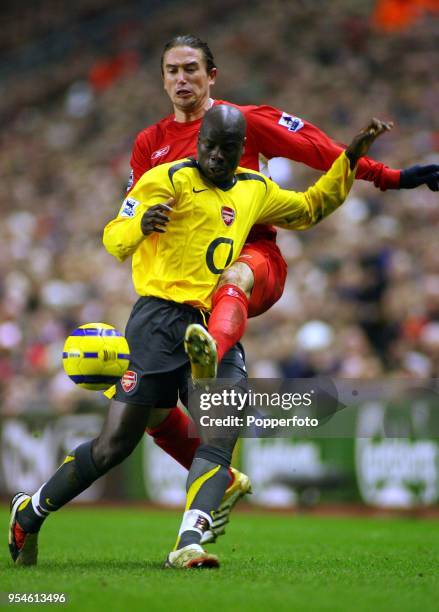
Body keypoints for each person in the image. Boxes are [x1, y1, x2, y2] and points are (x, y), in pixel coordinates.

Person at [9, 104, 391, 569]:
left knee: (222, 431)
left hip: (211, 324)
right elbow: (113, 238)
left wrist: (347, 161)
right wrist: (140, 225)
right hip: (156, 321)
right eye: (209, 146)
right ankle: (29, 512)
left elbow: (311, 208)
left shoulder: (254, 190)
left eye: (227, 150)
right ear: (201, 142)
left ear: (241, 151)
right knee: (115, 445)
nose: (216, 156)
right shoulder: (163, 181)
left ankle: (188, 541)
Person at [125, 34, 439, 541]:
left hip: (254, 260)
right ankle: (220, 477)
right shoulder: (150, 144)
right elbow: (137, 214)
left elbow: (319, 150)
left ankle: (211, 353)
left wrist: (391, 178)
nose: (181, 80)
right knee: (150, 410)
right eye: (172, 71)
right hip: (185, 286)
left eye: (191, 70)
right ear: (162, 78)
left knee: (236, 274)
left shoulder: (242, 121)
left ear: (212, 76)